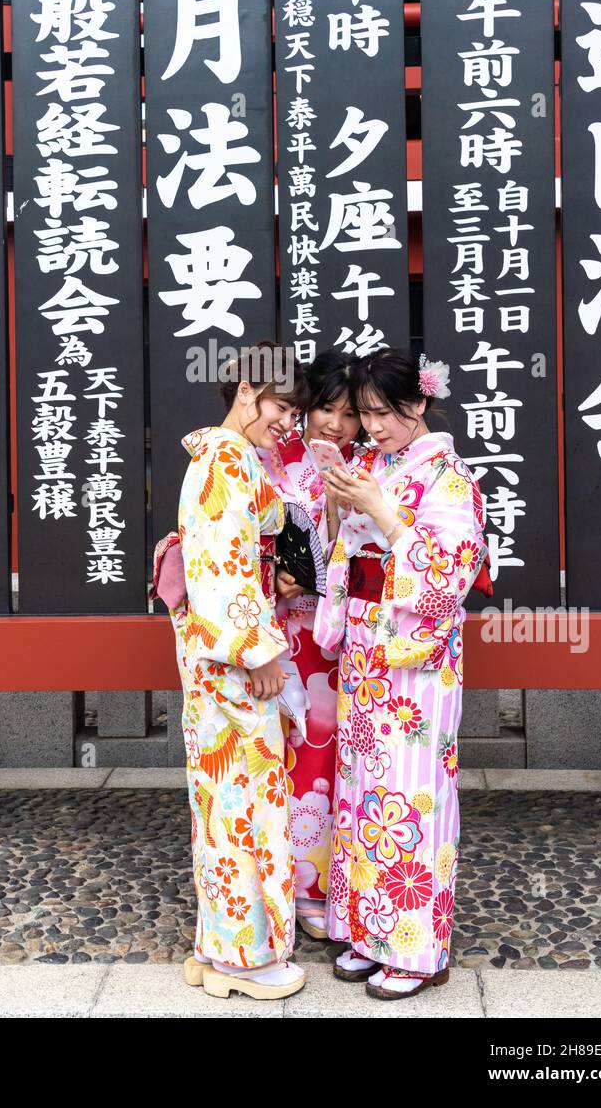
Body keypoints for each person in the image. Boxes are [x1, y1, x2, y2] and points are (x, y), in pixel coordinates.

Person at [316, 349, 488, 1001]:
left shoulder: (446, 478)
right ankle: (367, 931)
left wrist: (383, 514)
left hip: (415, 668)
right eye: (365, 414)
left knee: (408, 798)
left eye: (384, 413)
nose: (374, 426)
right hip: (366, 653)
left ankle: (417, 952)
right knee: (363, 798)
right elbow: (347, 556)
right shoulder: (375, 466)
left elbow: (447, 579)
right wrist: (344, 508)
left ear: (418, 405)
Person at [171, 343, 310, 1001]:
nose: (291, 423)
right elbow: (220, 571)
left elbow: (230, 563)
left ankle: (216, 945)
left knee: (223, 801)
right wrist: (258, 653)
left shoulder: (223, 456)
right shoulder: (226, 459)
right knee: (244, 803)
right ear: (251, 390)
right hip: (233, 662)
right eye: (284, 407)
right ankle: (244, 958)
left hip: (219, 656)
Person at [257, 349, 363, 940]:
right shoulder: (276, 459)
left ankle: (331, 882)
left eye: (350, 415)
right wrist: (274, 571)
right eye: (326, 408)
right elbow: (247, 535)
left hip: (342, 631)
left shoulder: (368, 464)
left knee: (333, 754)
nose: (336, 425)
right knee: (289, 748)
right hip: (284, 628)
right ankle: (290, 883)